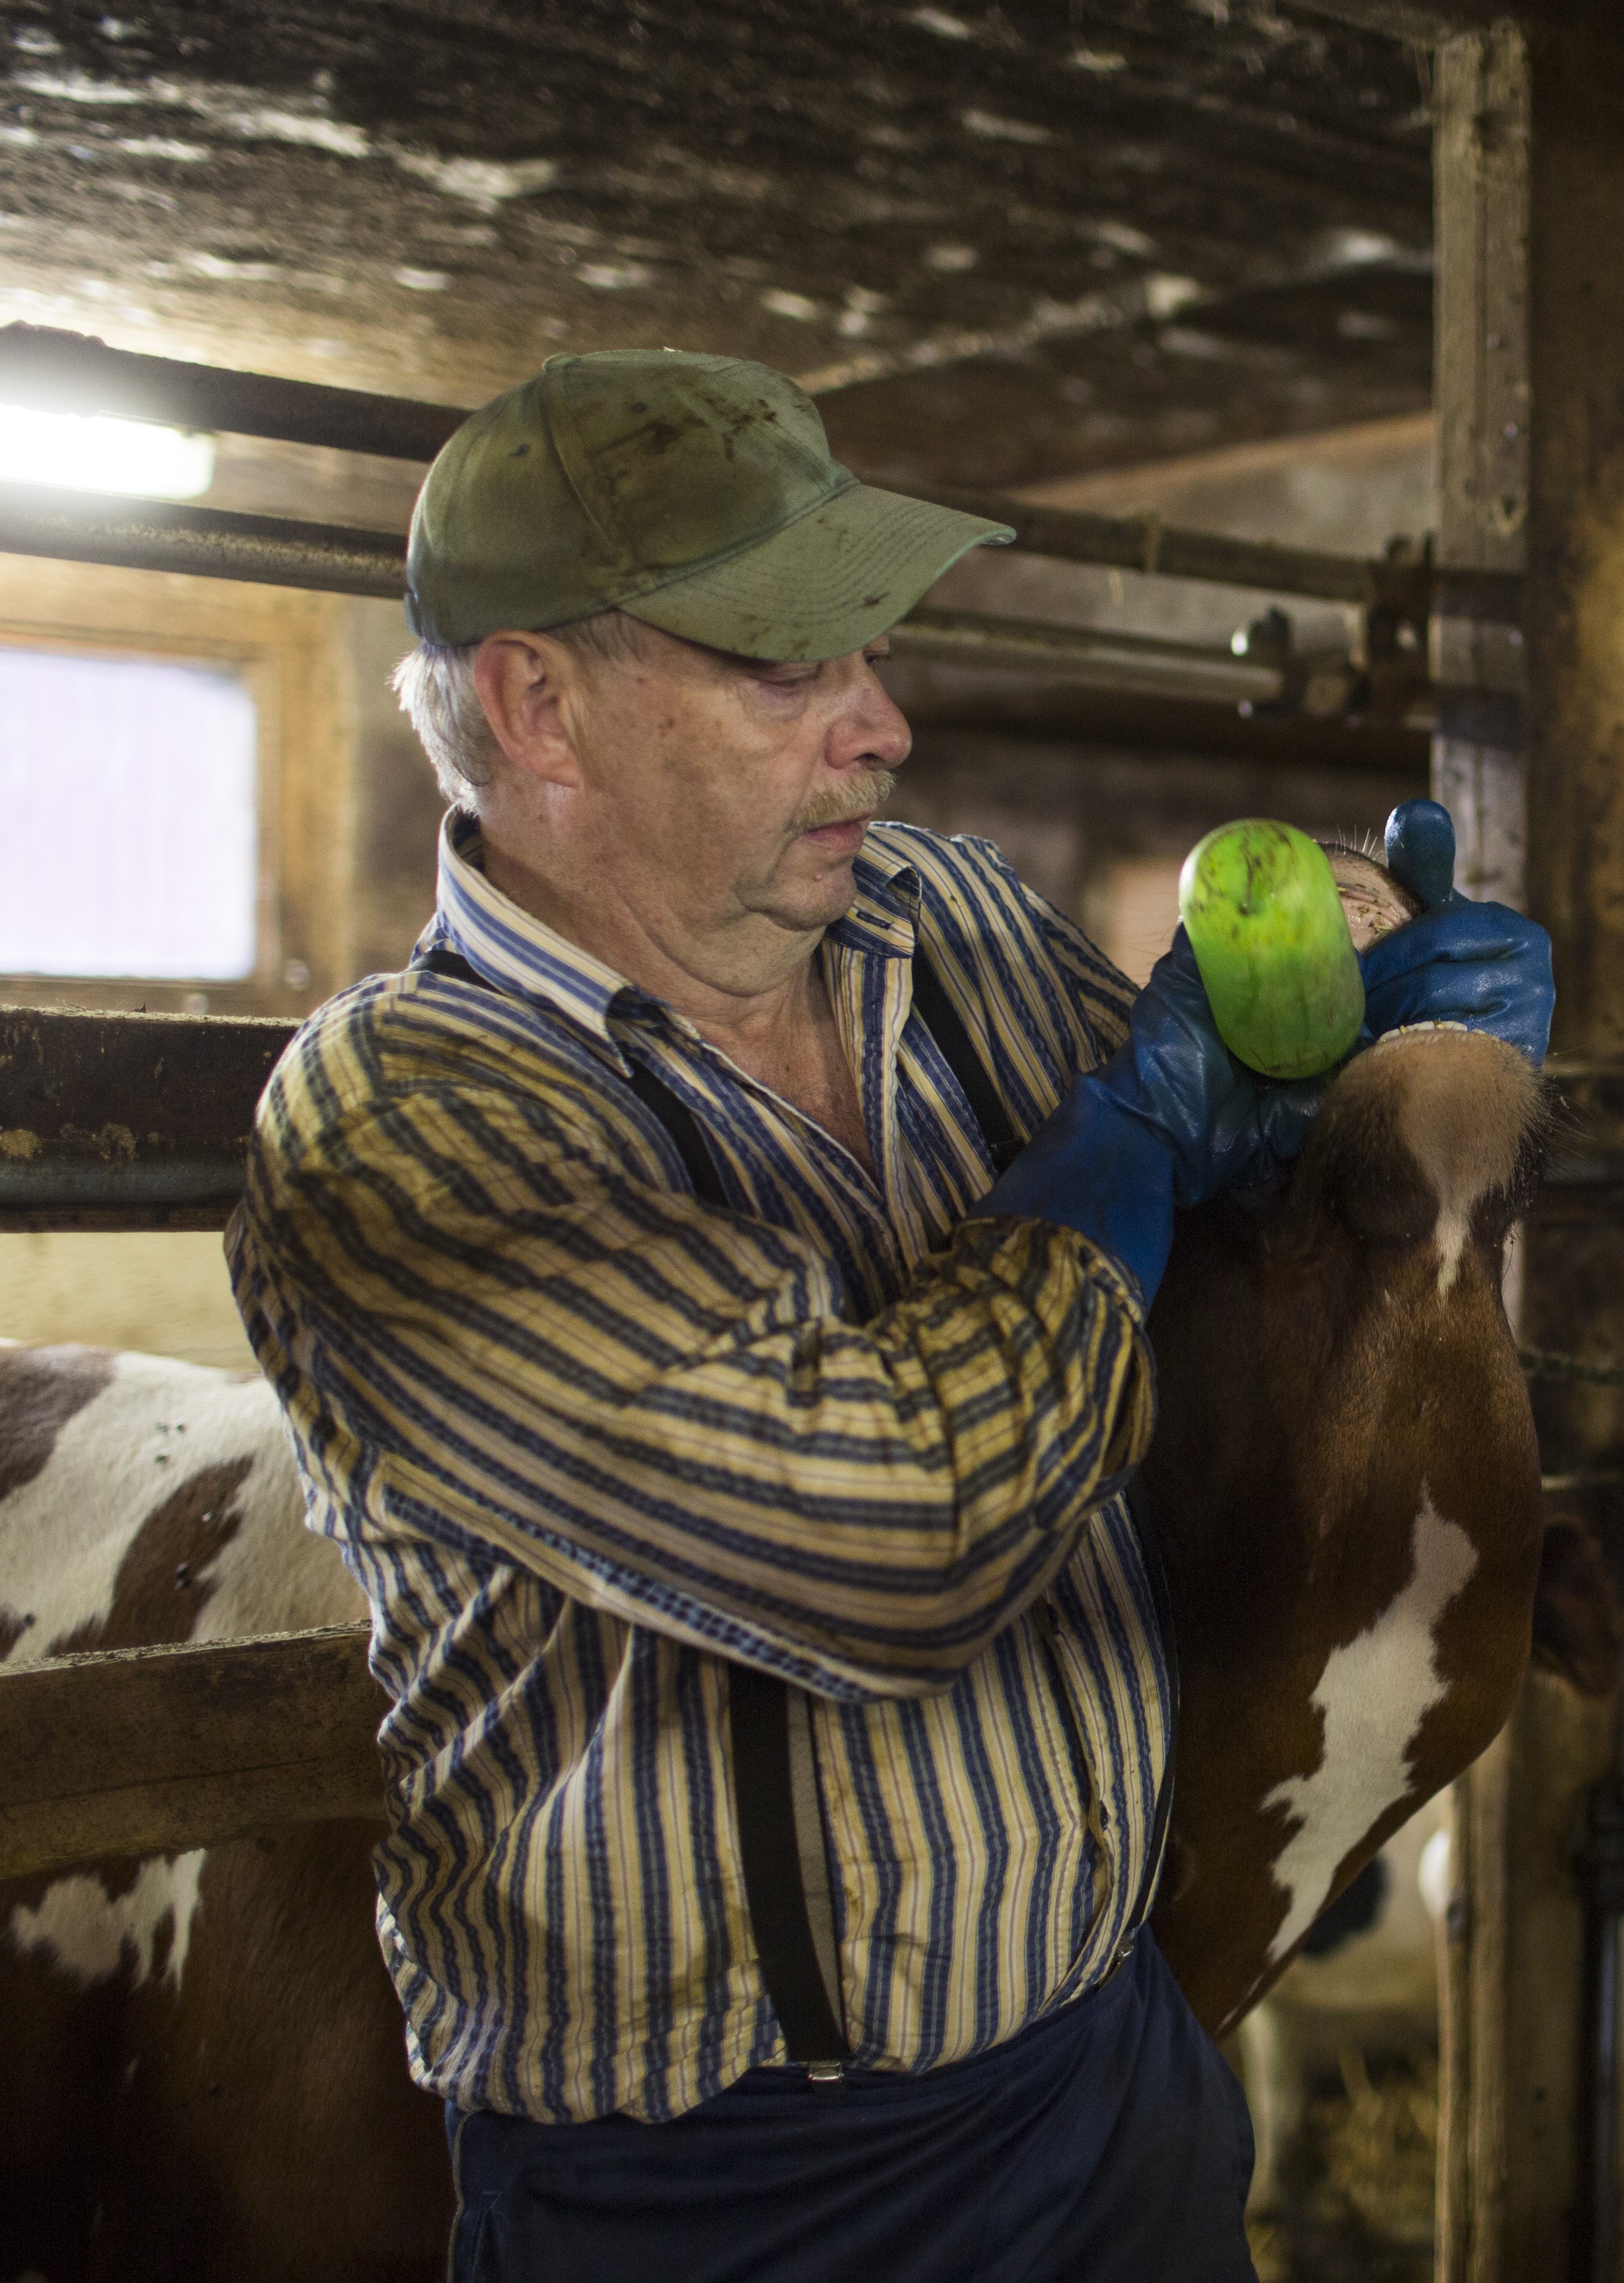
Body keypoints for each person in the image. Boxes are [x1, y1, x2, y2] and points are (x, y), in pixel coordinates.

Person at [224, 348, 1551, 2283]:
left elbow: (1199, 1249)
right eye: (792, 669)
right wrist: (1125, 1142)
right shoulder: (400, 1130)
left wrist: (1360, 1093)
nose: (884, 728)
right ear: (540, 705)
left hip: (1119, 2068)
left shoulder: (948, 924)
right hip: (726, 2200)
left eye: (870, 656)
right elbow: (895, 1546)